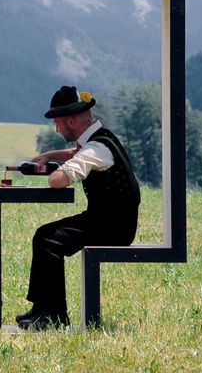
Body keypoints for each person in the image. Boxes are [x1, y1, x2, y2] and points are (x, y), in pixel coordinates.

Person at [16, 85, 140, 330]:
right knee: (44, 235)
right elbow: (76, 152)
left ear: (70, 121)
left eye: (57, 123)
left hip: (113, 228)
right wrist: (48, 156)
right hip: (108, 220)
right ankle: (43, 310)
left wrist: (55, 170)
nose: (56, 128)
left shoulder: (96, 148)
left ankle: (53, 317)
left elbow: (59, 180)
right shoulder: (99, 138)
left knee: (49, 240)